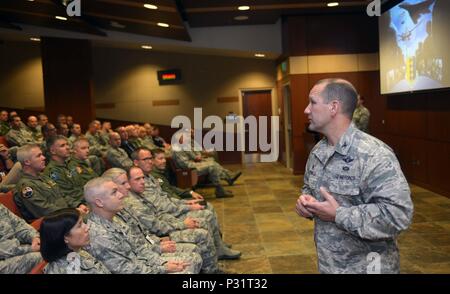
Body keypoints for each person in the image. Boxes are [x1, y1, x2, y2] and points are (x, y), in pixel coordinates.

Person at [296, 78, 413, 274]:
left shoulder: (375, 154)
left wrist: (339, 214)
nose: (306, 110)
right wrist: (307, 202)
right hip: (330, 265)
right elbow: (310, 188)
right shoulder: (318, 152)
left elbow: (398, 216)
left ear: (333, 107)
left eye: (313, 102)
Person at [84, 177, 200, 274]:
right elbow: (126, 270)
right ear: (99, 202)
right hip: (138, 270)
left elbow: (139, 249)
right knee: (187, 268)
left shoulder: (114, 219)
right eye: (114, 192)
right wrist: (162, 268)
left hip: (145, 265)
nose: (121, 195)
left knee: (189, 262)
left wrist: (161, 263)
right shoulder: (98, 235)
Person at [14, 144, 88, 222]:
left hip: (67, 215)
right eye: (38, 156)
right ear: (27, 162)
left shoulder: (43, 177)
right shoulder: (26, 187)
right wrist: (73, 212)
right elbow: (44, 210)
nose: (44, 158)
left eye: (42, 154)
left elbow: (62, 195)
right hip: (56, 221)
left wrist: (78, 205)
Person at [40, 208, 110, 274]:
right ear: (65, 238)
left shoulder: (77, 251)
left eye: (83, 223)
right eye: (79, 225)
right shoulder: (65, 270)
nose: (87, 227)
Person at [0, 203, 42, 273]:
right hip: (4, 259)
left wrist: (34, 237)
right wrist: (30, 249)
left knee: (52, 247)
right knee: (42, 257)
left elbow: (18, 224)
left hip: (16, 248)